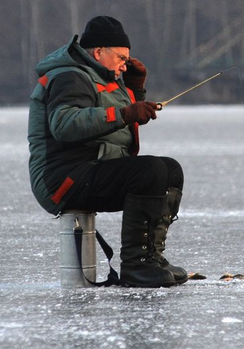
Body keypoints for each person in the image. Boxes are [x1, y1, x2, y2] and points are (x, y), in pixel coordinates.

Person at [27, 15, 187, 288]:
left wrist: (135, 90)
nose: (125, 65)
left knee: (170, 170)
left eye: (128, 59)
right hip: (62, 178)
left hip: (90, 168)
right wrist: (127, 112)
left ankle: (151, 258)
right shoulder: (69, 76)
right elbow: (65, 125)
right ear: (99, 52)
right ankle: (135, 266)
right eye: (121, 58)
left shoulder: (103, 77)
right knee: (150, 171)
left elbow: (117, 127)